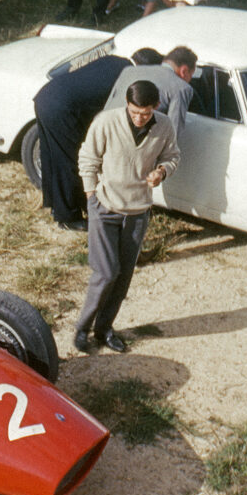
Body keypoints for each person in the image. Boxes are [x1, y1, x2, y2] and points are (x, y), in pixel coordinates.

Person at [74, 80, 181, 353]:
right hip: (105, 207)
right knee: (107, 273)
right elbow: (88, 157)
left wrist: (162, 172)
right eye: (133, 111)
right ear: (127, 104)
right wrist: (90, 195)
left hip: (137, 213)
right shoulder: (106, 122)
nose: (138, 118)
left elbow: (172, 156)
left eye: (144, 113)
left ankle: (104, 329)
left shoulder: (165, 126)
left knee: (123, 279)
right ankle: (82, 329)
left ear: (155, 107)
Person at [33, 47, 162, 231]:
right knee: (71, 160)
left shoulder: (113, 60)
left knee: (52, 155)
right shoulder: (129, 79)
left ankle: (57, 206)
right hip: (63, 108)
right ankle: (68, 218)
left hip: (46, 96)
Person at [103, 45, 195, 137]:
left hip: (104, 133)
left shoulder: (129, 70)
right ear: (184, 71)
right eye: (191, 75)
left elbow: (108, 104)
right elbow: (172, 132)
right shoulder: (182, 87)